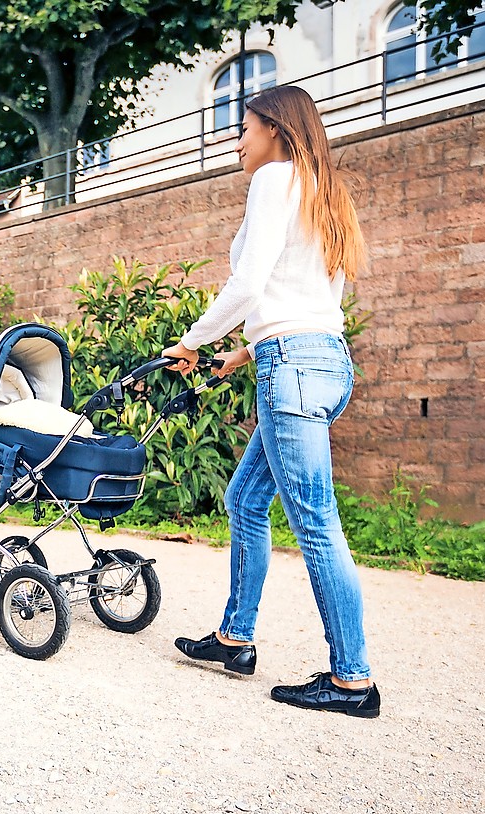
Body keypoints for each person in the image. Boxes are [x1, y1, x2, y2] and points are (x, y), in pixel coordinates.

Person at [161, 85, 380, 719]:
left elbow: (249, 282)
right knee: (246, 498)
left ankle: (351, 680)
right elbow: (306, 303)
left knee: (315, 522)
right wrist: (244, 352)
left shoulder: (273, 180)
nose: (238, 139)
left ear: (276, 131)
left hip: (295, 370)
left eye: (246, 128)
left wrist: (194, 339)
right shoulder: (322, 191)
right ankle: (234, 639)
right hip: (321, 364)